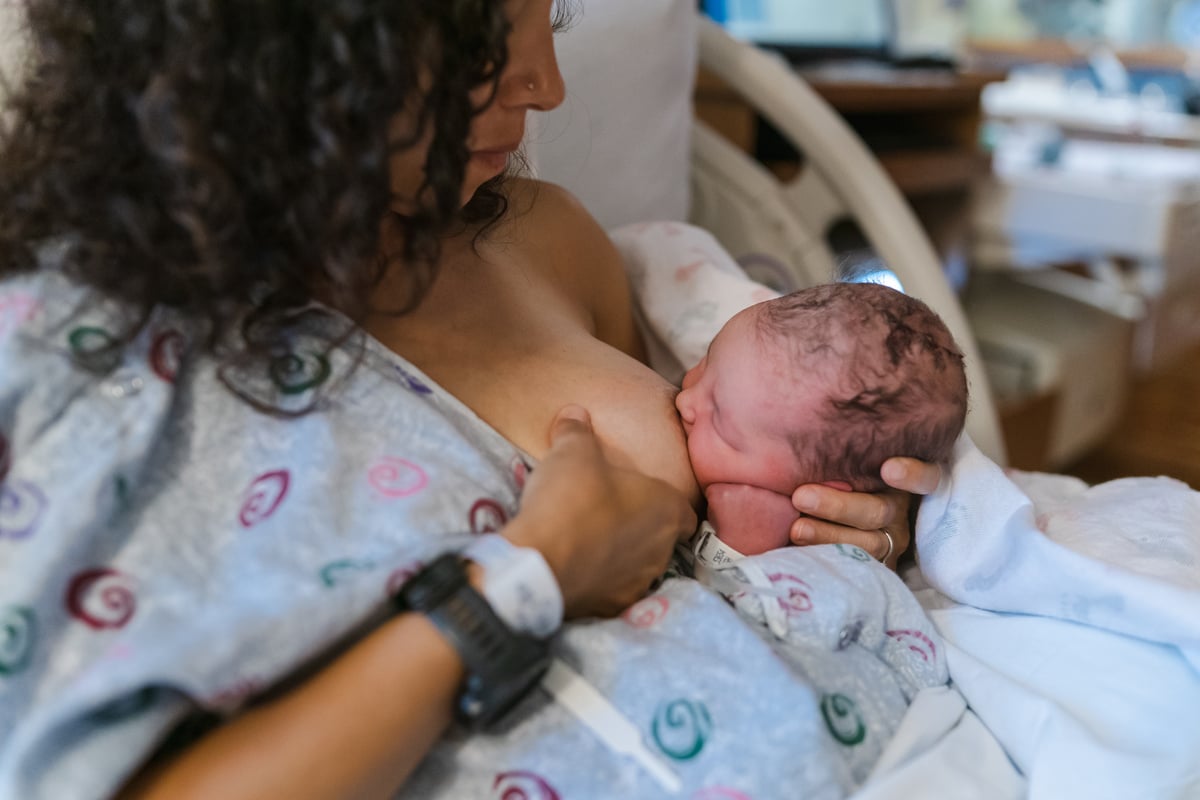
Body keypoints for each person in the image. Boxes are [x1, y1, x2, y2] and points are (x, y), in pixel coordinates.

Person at [0, 2, 941, 797]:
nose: (546, 85)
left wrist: (854, 517)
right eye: (482, 34)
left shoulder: (546, 239)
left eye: (548, 16)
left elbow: (749, 527)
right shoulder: (88, 359)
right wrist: (531, 575)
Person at [675, 281, 968, 559]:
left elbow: (726, 602)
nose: (685, 400)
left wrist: (737, 544)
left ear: (823, 492)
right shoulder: (753, 368)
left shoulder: (774, 528)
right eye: (705, 363)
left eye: (721, 427)